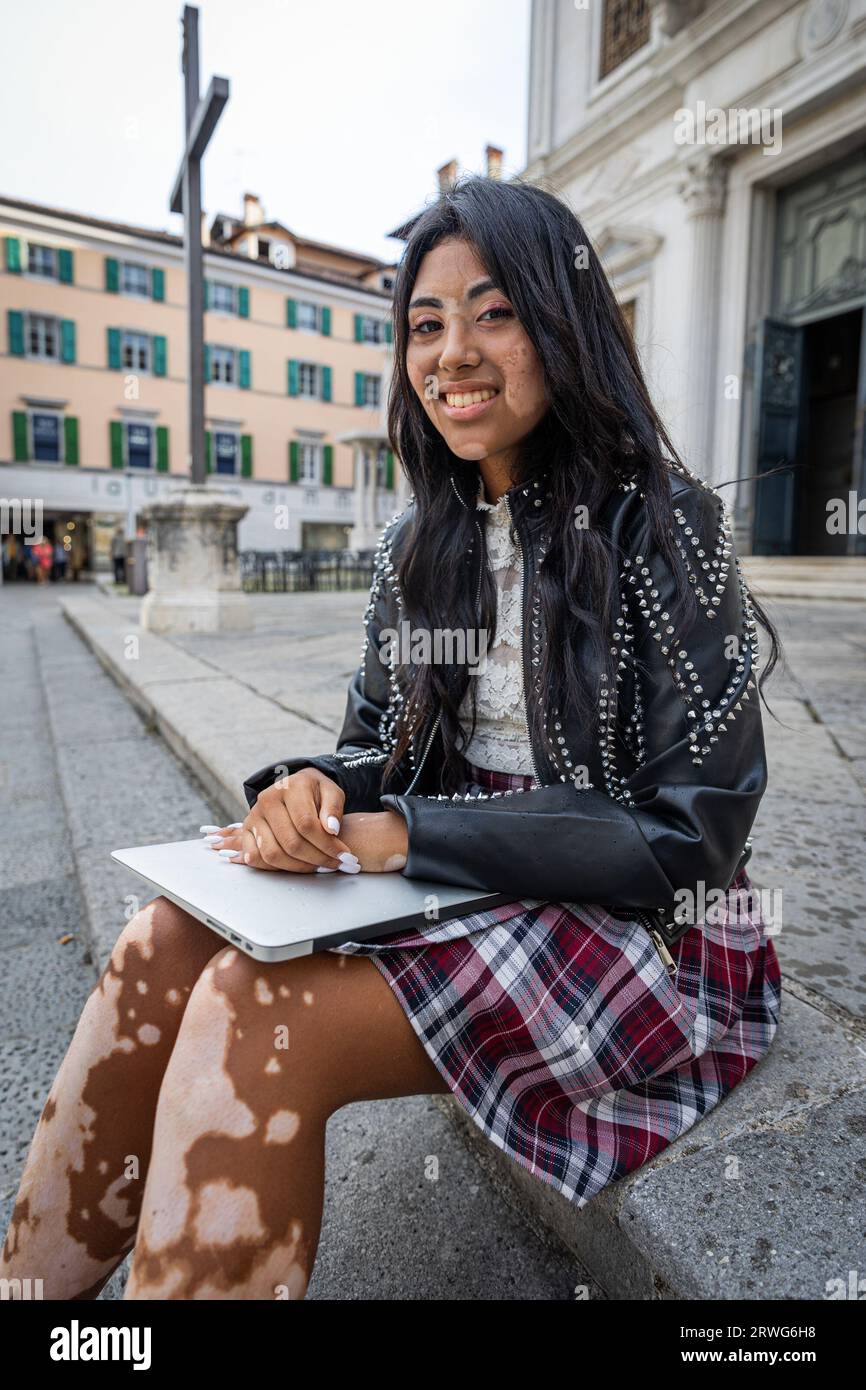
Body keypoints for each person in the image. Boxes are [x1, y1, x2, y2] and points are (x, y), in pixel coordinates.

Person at [1, 176, 783, 1301]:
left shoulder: (662, 526)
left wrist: (393, 836)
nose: (452, 352)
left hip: (635, 924)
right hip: (447, 873)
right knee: (157, 944)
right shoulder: (420, 538)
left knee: (249, 1011)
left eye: (495, 311)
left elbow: (684, 838)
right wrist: (315, 787)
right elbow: (378, 744)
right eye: (425, 324)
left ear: (563, 328)